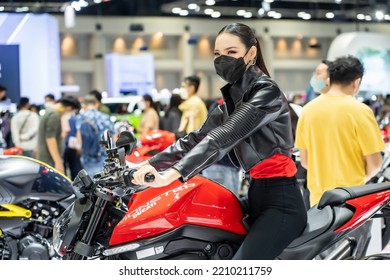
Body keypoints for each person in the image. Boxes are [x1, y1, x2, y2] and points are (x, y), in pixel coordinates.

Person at [131, 22, 307, 260]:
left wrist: (173, 174)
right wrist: (150, 164)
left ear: (251, 53)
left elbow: (223, 136)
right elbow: (195, 139)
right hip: (255, 193)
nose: (223, 59)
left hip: (281, 203)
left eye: (231, 52)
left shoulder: (267, 93)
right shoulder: (233, 98)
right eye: (217, 54)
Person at [295, 55, 385, 207]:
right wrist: (360, 180)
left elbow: (305, 161)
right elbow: (375, 164)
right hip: (353, 201)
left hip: (318, 202)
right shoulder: (361, 111)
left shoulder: (308, 110)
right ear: (356, 82)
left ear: (331, 78)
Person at [37, 96, 80, 173]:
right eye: (73, 112)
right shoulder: (54, 115)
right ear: (69, 108)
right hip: (49, 159)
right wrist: (58, 162)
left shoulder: (49, 111)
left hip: (47, 158)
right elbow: (50, 139)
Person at [76, 95, 115, 176]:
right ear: (96, 104)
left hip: (89, 158)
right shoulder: (105, 117)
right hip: (106, 157)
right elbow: (114, 136)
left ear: (84, 105)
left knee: (93, 183)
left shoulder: (81, 118)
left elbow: (79, 140)